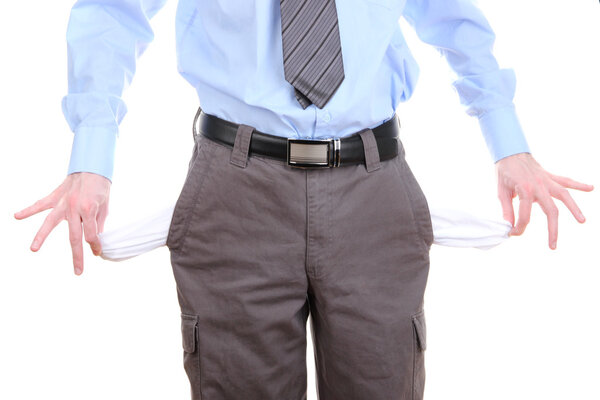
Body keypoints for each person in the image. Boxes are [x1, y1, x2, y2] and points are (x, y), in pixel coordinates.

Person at [13, 0, 594, 399]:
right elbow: (113, 12)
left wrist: (507, 142)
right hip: (235, 190)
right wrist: (92, 154)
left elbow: (452, 17)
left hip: (374, 185)